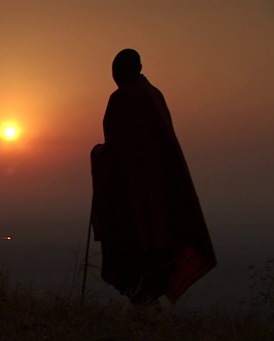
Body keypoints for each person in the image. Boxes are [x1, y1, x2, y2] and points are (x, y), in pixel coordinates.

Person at [91, 49, 216, 306]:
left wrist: (97, 154)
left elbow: (116, 149)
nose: (114, 77)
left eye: (115, 72)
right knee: (156, 251)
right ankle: (147, 305)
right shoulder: (154, 96)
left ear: (124, 71)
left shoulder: (122, 99)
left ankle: (144, 306)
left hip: (131, 195)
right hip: (160, 196)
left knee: (132, 253)